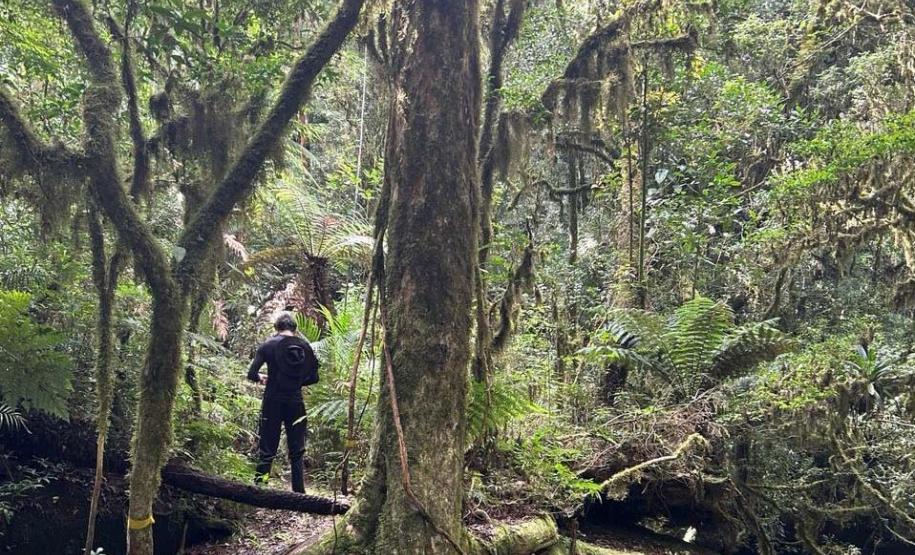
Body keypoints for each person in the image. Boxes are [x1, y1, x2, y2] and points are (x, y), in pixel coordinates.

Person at [247, 312, 319, 492]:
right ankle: (299, 492)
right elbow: (314, 378)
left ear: (277, 327)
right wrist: (295, 382)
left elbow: (251, 373)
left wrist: (262, 378)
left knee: (267, 447)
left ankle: (260, 488)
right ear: (295, 329)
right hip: (296, 401)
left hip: (272, 401)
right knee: (297, 449)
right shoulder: (305, 347)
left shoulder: (267, 345)